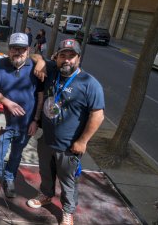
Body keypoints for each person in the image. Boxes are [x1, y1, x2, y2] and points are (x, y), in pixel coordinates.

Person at [27, 39, 105, 225]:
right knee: (45, 172)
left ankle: (68, 211)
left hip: (69, 146)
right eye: (63, 55)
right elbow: (34, 55)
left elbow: (98, 116)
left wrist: (83, 141)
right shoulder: (52, 70)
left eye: (71, 56)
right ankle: (46, 195)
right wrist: (40, 61)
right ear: (57, 57)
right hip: (47, 139)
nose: (67, 60)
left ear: (78, 58)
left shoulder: (89, 84)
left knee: (67, 181)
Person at [0, 32, 44, 198]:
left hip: (26, 124)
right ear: (8, 49)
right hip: (3, 123)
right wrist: (7, 102)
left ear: (28, 50)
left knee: (17, 154)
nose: (18, 52)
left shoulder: (36, 68)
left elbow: (40, 96)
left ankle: (9, 178)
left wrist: (36, 120)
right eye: (14, 48)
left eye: (22, 49)